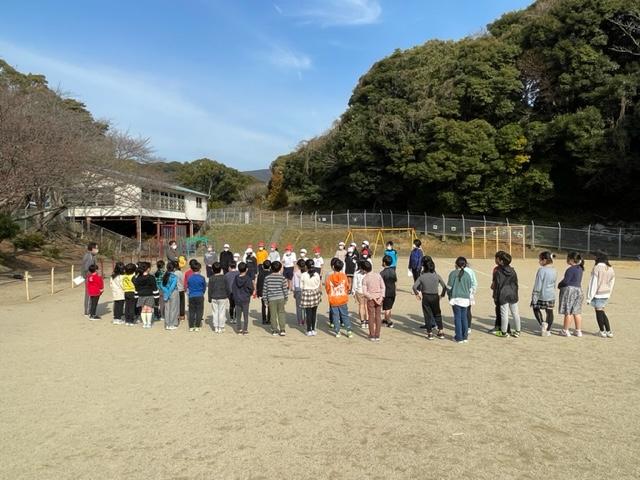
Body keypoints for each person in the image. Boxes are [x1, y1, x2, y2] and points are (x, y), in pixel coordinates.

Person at [413, 256, 447, 339]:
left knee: (427, 315)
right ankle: (441, 331)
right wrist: (442, 295)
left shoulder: (422, 276)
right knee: (437, 314)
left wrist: (417, 294)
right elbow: (444, 286)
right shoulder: (437, 276)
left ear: (424, 267)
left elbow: (414, 287)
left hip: (426, 297)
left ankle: (430, 333)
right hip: (435, 297)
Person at [586, 251, 616, 338]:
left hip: (598, 293)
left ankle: (602, 331)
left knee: (599, 312)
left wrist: (589, 297)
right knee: (602, 311)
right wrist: (609, 292)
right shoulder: (610, 268)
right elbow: (612, 282)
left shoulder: (597, 268)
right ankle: (608, 331)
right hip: (606, 293)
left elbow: (593, 283)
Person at [493, 252, 521, 338]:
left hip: (503, 294)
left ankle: (504, 332)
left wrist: (496, 296)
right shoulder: (513, 271)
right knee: (515, 313)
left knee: (504, 314)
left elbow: (497, 286)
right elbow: (516, 283)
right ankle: (518, 331)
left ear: (501, 261)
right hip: (512, 293)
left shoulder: (498, 272)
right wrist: (515, 293)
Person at [446, 257, 474, 343]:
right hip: (465, 299)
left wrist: (449, 295)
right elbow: (470, 287)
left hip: (456, 298)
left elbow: (449, 287)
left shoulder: (453, 273)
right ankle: (465, 336)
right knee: (464, 317)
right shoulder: (467, 274)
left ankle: (459, 337)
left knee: (457, 317)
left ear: (456, 264)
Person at [558, 252, 585, 337]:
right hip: (578, 290)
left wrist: (560, 285)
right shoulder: (580, 269)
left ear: (572, 260)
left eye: (568, 258)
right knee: (577, 312)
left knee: (568, 311)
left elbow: (566, 281)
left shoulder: (570, 269)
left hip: (570, 291)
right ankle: (578, 330)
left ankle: (565, 330)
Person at [531, 251, 557, 336]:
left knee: (535, 308)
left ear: (544, 260)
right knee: (549, 311)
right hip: (551, 295)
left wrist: (534, 295)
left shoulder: (541, 270)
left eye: (540, 260)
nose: (539, 261)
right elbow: (554, 283)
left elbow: (538, 284)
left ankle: (542, 323)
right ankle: (548, 330)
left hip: (541, 295)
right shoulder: (554, 270)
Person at [325, 259, 353, 338]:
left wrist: (330, 293)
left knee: (335, 316)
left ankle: (337, 332)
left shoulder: (329, 277)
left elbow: (327, 288)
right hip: (342, 298)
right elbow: (347, 286)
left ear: (333, 267)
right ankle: (349, 331)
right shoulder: (344, 276)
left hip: (333, 299)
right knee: (345, 315)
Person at [264, 261, 289, 336]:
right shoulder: (282, 278)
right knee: (281, 313)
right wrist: (286, 298)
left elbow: (265, 290)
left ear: (271, 268)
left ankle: (274, 330)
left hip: (271, 298)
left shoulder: (267, 278)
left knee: (273, 314)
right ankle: (282, 329)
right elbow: (284, 289)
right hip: (281, 297)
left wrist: (265, 300)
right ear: (280, 268)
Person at [362, 260, 385, 341]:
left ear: (364, 270)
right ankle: (377, 335)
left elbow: (364, 292)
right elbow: (383, 287)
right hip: (379, 297)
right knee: (378, 316)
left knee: (371, 317)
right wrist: (382, 296)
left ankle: (372, 335)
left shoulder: (365, 278)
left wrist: (371, 297)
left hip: (371, 299)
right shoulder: (378, 275)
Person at [134, 261, 160, 329]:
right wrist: (157, 298)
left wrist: (136, 297)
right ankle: (148, 323)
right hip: (150, 295)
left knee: (143, 309)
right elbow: (155, 288)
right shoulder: (151, 277)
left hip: (141, 296)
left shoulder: (138, 278)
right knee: (149, 309)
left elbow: (136, 289)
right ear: (148, 269)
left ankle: (144, 323)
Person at [300, 258, 322, 336]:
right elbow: (318, 284)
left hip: (306, 293)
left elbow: (301, 286)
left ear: (306, 266)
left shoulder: (303, 275)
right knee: (314, 313)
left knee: (308, 313)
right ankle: (313, 329)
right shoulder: (317, 274)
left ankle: (309, 330)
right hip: (315, 293)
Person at [232, 262, 254, 335]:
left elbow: (233, 288)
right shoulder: (248, 278)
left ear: (238, 269)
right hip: (245, 299)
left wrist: (235, 296)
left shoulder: (236, 278)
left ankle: (239, 329)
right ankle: (245, 329)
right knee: (245, 315)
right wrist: (249, 295)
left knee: (238, 316)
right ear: (246, 269)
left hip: (237, 299)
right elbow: (251, 288)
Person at [208, 262, 230, 333]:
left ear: (212, 270)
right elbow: (227, 288)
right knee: (222, 312)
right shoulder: (224, 277)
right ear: (221, 269)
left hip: (214, 297)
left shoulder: (211, 278)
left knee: (215, 312)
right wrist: (228, 295)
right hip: (223, 297)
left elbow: (210, 289)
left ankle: (216, 327)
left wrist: (209, 298)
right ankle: (221, 327)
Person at [489, 251, 507, 334]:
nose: (495, 260)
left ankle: (500, 327)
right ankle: (503, 327)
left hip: (499, 293)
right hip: (506, 293)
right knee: (502, 311)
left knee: (499, 310)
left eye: (496, 259)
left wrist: (493, 286)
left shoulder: (496, 269)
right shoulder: (509, 269)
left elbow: (494, 282)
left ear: (499, 259)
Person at [187, 262, 207, 332]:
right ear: (199, 269)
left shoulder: (189, 278)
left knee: (191, 311)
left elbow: (188, 286)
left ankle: (191, 326)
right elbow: (204, 287)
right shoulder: (202, 278)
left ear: (192, 269)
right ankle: (197, 326)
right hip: (200, 295)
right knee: (199, 311)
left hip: (191, 296)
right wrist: (202, 292)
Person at [81, 242, 99, 316]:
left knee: (91, 293)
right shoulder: (88, 256)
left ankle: (90, 310)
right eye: (96, 248)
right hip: (89, 278)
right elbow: (86, 268)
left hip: (91, 277)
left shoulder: (92, 256)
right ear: (92, 248)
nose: (97, 250)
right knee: (89, 294)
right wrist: (90, 276)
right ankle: (87, 311)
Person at [380, 255, 397, 328]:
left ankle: (389, 321)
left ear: (384, 263)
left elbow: (380, 284)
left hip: (386, 292)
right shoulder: (393, 271)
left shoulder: (382, 273)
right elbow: (395, 282)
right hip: (392, 291)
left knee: (387, 308)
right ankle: (385, 319)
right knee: (389, 307)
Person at [161, 262, 179, 330]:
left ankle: (167, 324)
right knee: (173, 309)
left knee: (167, 309)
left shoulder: (164, 275)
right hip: (173, 293)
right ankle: (172, 324)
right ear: (174, 268)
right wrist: (168, 293)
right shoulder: (174, 276)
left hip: (165, 293)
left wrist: (166, 292)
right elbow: (172, 287)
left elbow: (161, 285)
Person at [352, 260, 368, 328]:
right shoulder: (367, 272)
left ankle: (362, 322)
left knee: (361, 306)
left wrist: (353, 292)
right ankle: (367, 321)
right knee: (366, 306)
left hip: (359, 291)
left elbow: (354, 284)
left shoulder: (356, 273)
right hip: (366, 291)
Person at [256, 260, 272, 325]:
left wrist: (258, 293)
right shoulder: (271, 273)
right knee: (270, 306)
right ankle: (269, 320)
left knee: (263, 306)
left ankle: (264, 320)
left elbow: (258, 284)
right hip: (270, 292)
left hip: (263, 292)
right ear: (270, 266)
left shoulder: (260, 273)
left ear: (262, 266)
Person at [293, 258, 306, 326]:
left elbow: (295, 284)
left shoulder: (296, 273)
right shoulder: (306, 273)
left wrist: (294, 292)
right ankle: (305, 320)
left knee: (298, 307)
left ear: (298, 266)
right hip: (305, 290)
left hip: (298, 290)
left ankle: (300, 321)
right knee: (306, 306)